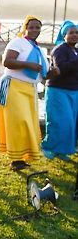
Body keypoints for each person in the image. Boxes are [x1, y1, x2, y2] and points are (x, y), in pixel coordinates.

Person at [0, 15, 58, 170]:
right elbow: (7, 62)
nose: (34, 30)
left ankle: (23, 156)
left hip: (29, 89)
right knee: (17, 122)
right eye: (31, 27)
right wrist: (28, 64)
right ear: (25, 28)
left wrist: (52, 73)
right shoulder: (18, 42)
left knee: (28, 123)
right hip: (14, 87)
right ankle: (15, 160)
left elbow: (42, 75)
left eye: (37, 27)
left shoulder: (39, 50)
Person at [41, 21, 78, 161]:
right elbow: (60, 68)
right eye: (71, 33)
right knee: (59, 121)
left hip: (73, 91)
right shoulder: (59, 50)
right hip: (58, 90)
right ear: (64, 35)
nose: (74, 35)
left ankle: (62, 150)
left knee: (70, 124)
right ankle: (48, 146)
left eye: (77, 33)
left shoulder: (75, 51)